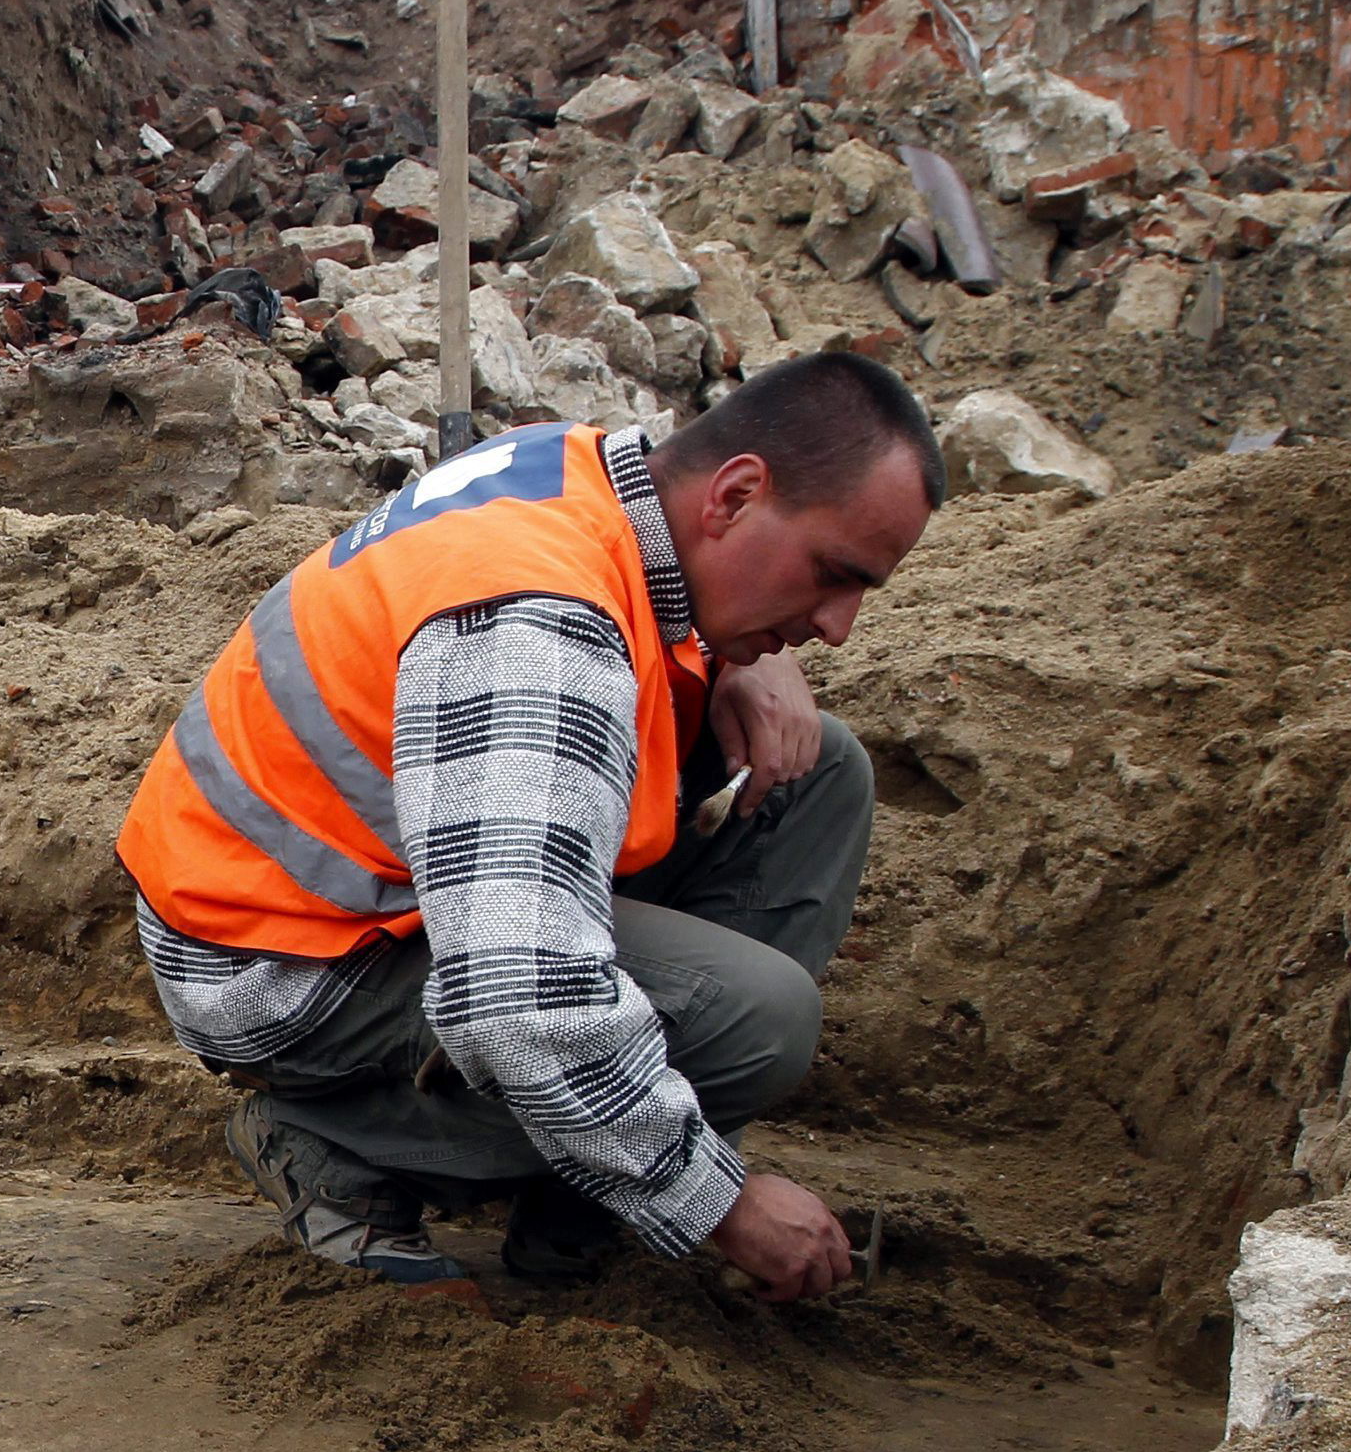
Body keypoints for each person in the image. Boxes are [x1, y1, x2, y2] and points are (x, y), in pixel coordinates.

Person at [114, 351, 943, 1304]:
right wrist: (720, 1200)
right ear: (736, 494)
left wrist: (727, 651)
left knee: (818, 770)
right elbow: (515, 999)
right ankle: (341, 1144)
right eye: (832, 576)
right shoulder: (536, 620)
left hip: (371, 886)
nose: (838, 627)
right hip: (283, 962)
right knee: (759, 1019)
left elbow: (654, 602)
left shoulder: (595, 484)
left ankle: (581, 1194)